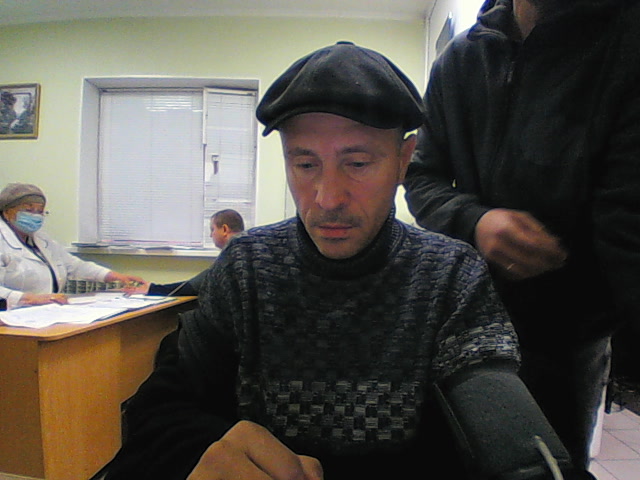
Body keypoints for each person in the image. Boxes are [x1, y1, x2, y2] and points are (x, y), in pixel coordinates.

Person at [103, 42, 594, 480]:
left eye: (357, 164)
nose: (327, 198)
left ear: (404, 160)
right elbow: (157, 409)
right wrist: (198, 451)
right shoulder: (246, 267)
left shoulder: (449, 274)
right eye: (305, 164)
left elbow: (496, 407)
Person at [403, 0, 640, 470]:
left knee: (546, 465)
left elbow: (628, 225)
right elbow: (422, 176)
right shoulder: (460, 59)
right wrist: (474, 221)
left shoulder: (626, 41)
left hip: (568, 342)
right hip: (461, 324)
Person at [0, 182, 146, 310]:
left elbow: (74, 265)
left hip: (44, 310)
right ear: (6, 212)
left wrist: (115, 276)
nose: (35, 216)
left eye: (40, 211)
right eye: (28, 210)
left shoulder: (41, 239)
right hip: (11, 314)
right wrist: (29, 298)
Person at [135, 209, 245, 296]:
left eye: (213, 229)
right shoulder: (246, 250)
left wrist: (152, 289)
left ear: (225, 229)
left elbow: (192, 287)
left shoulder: (229, 257)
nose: (211, 235)